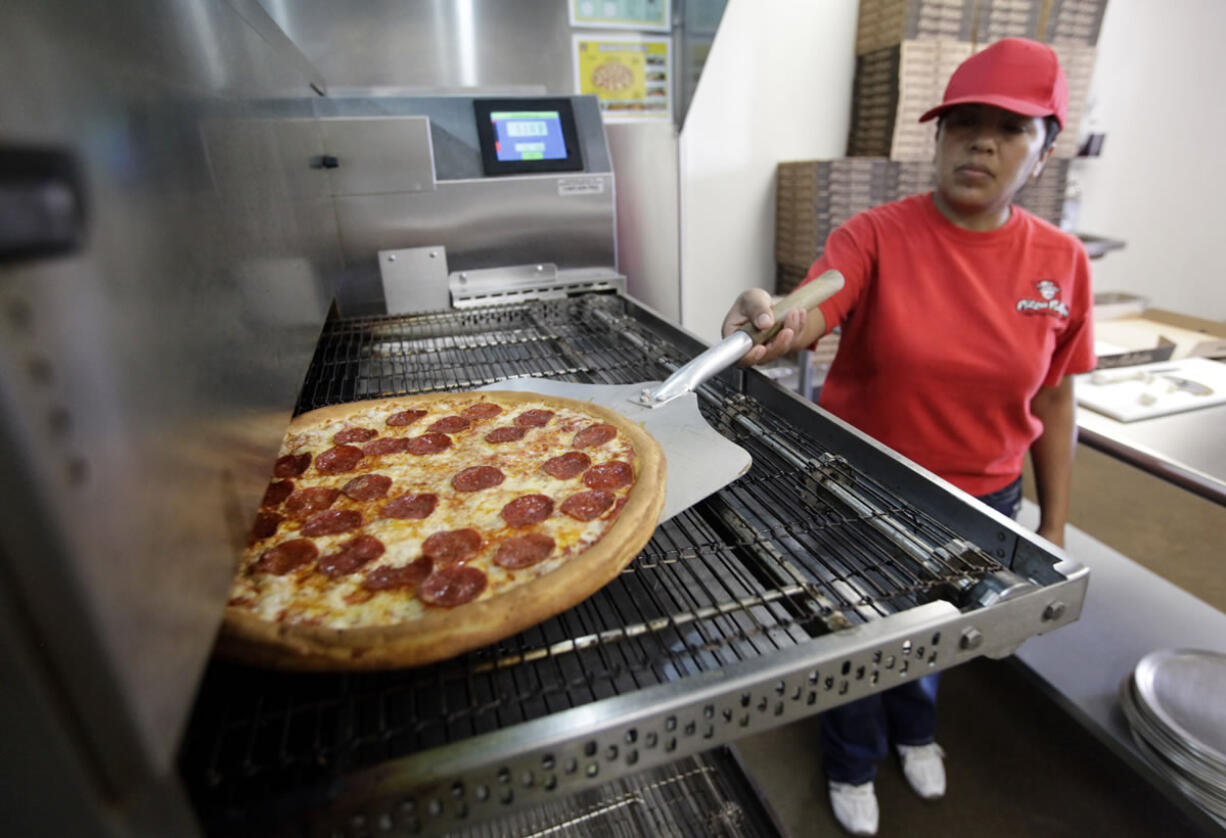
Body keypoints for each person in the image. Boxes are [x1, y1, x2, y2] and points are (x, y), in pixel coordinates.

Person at [720, 38, 1096, 836]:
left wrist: (1053, 524)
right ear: (937, 136)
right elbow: (812, 306)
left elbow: (1057, 397)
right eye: (962, 123)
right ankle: (851, 760)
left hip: (983, 500)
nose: (981, 142)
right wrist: (771, 320)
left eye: (1009, 127)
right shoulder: (877, 235)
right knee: (855, 637)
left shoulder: (1060, 262)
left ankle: (917, 729)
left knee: (938, 632)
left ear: (1046, 147)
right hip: (862, 492)